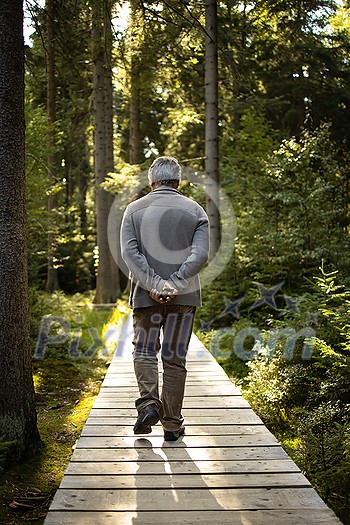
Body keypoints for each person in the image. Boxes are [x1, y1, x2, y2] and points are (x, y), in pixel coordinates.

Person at [120, 156, 209, 441]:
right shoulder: (195, 210)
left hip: (146, 297)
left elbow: (130, 253)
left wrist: (155, 284)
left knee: (145, 351)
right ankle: (172, 424)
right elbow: (200, 255)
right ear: (178, 181)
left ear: (152, 180)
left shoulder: (133, 210)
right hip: (184, 298)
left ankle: (148, 405)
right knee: (174, 358)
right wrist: (175, 283)